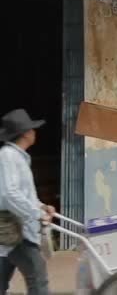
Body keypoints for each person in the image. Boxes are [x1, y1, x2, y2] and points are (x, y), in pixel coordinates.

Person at [0, 109, 55, 295]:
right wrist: (37, 213)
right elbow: (10, 194)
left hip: (14, 231)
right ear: (26, 133)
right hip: (16, 230)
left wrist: (42, 206)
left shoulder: (19, 157)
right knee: (38, 280)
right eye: (33, 129)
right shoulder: (9, 156)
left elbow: (25, 195)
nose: (35, 132)